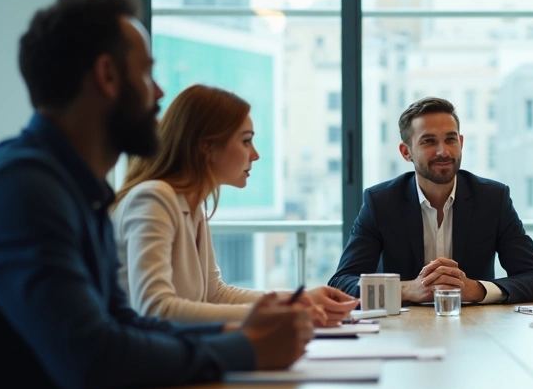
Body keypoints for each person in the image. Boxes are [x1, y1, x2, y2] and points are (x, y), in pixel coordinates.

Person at [0, 0, 310, 389]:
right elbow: (94, 357)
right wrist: (242, 346)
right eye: (147, 72)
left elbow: (123, 323)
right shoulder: (20, 191)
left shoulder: (76, 191)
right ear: (107, 76)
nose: (158, 93)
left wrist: (249, 334)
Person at [328, 96, 533, 389]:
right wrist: (407, 289)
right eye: (429, 141)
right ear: (406, 151)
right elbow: (342, 282)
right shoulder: (381, 201)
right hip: (396, 360)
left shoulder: (493, 198)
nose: (443, 151)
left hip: (479, 354)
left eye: (450, 139)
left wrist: (478, 290)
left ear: (462, 142)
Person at [112, 84, 357, 324]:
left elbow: (215, 294)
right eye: (246, 141)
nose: (255, 154)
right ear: (207, 146)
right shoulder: (154, 198)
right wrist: (274, 315)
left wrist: (298, 300)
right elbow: (155, 308)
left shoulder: (193, 205)